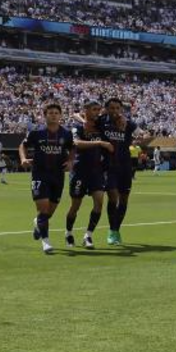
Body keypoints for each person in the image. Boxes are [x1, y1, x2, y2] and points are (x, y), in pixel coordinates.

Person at [19, 103, 76, 254]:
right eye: (50, 112)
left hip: (58, 176)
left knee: (49, 212)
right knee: (43, 208)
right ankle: (46, 242)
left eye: (56, 112)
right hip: (40, 174)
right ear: (45, 115)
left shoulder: (66, 134)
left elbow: (72, 149)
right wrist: (23, 158)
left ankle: (38, 223)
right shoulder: (36, 133)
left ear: (60, 115)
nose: (53, 115)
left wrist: (70, 161)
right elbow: (22, 146)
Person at [64, 100, 113, 249]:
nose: (97, 112)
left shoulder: (100, 126)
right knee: (75, 206)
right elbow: (77, 143)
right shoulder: (77, 127)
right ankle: (68, 233)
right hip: (79, 171)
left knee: (99, 202)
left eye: (98, 109)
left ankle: (88, 236)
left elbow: (115, 117)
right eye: (94, 109)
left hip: (96, 172)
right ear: (86, 110)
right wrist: (99, 143)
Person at [97, 98, 139, 245]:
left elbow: (139, 131)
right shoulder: (101, 121)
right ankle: (112, 230)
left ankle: (115, 230)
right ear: (106, 109)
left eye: (117, 108)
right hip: (108, 166)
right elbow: (80, 116)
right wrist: (82, 120)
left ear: (121, 109)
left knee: (124, 199)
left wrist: (125, 121)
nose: (115, 111)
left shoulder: (128, 123)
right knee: (113, 197)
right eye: (112, 108)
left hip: (125, 166)